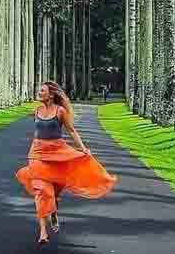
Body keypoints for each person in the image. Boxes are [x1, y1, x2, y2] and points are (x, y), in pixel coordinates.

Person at [16, 81, 117, 245]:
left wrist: (83, 149)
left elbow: (71, 131)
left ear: (51, 94)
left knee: (54, 190)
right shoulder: (37, 111)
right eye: (38, 90)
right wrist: (36, 146)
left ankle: (53, 209)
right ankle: (43, 232)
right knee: (41, 190)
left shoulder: (60, 111)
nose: (38, 93)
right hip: (37, 154)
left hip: (56, 152)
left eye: (42, 91)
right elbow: (38, 132)